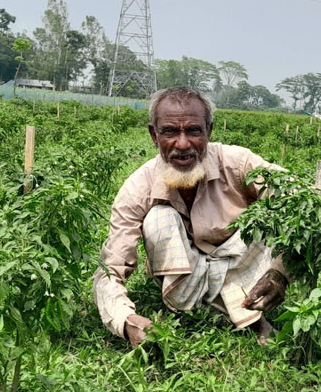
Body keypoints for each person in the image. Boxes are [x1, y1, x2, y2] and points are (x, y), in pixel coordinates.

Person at [92, 86, 289, 347]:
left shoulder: (238, 163)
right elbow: (110, 269)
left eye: (194, 131)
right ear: (154, 135)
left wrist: (279, 273)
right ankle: (237, 315)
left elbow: (299, 201)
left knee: (272, 216)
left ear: (209, 132)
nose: (182, 144)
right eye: (170, 131)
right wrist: (126, 321)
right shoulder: (138, 187)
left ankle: (242, 308)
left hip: (241, 266)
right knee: (158, 218)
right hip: (184, 283)